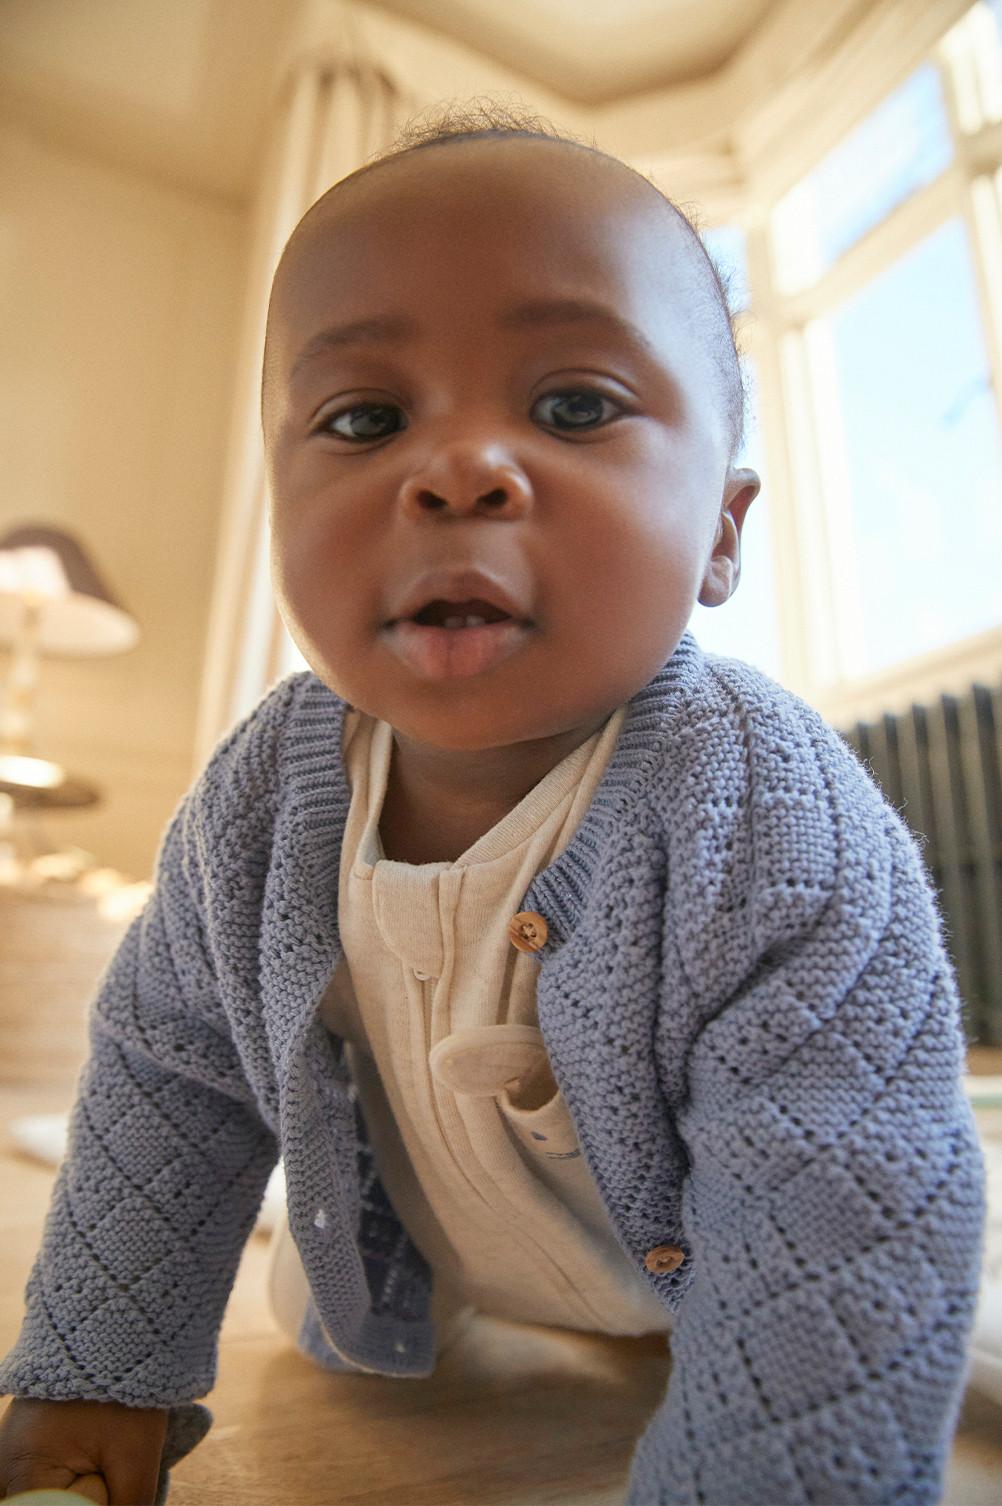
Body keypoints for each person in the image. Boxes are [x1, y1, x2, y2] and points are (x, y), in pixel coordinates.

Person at [0, 99, 987, 1506]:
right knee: (319, 1322)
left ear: (718, 530)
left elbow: (845, 1187)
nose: (455, 466)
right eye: (363, 416)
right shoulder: (259, 805)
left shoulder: (771, 821)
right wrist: (98, 1367)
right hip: (407, 1250)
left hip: (702, 1261)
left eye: (573, 404)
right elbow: (172, 1071)